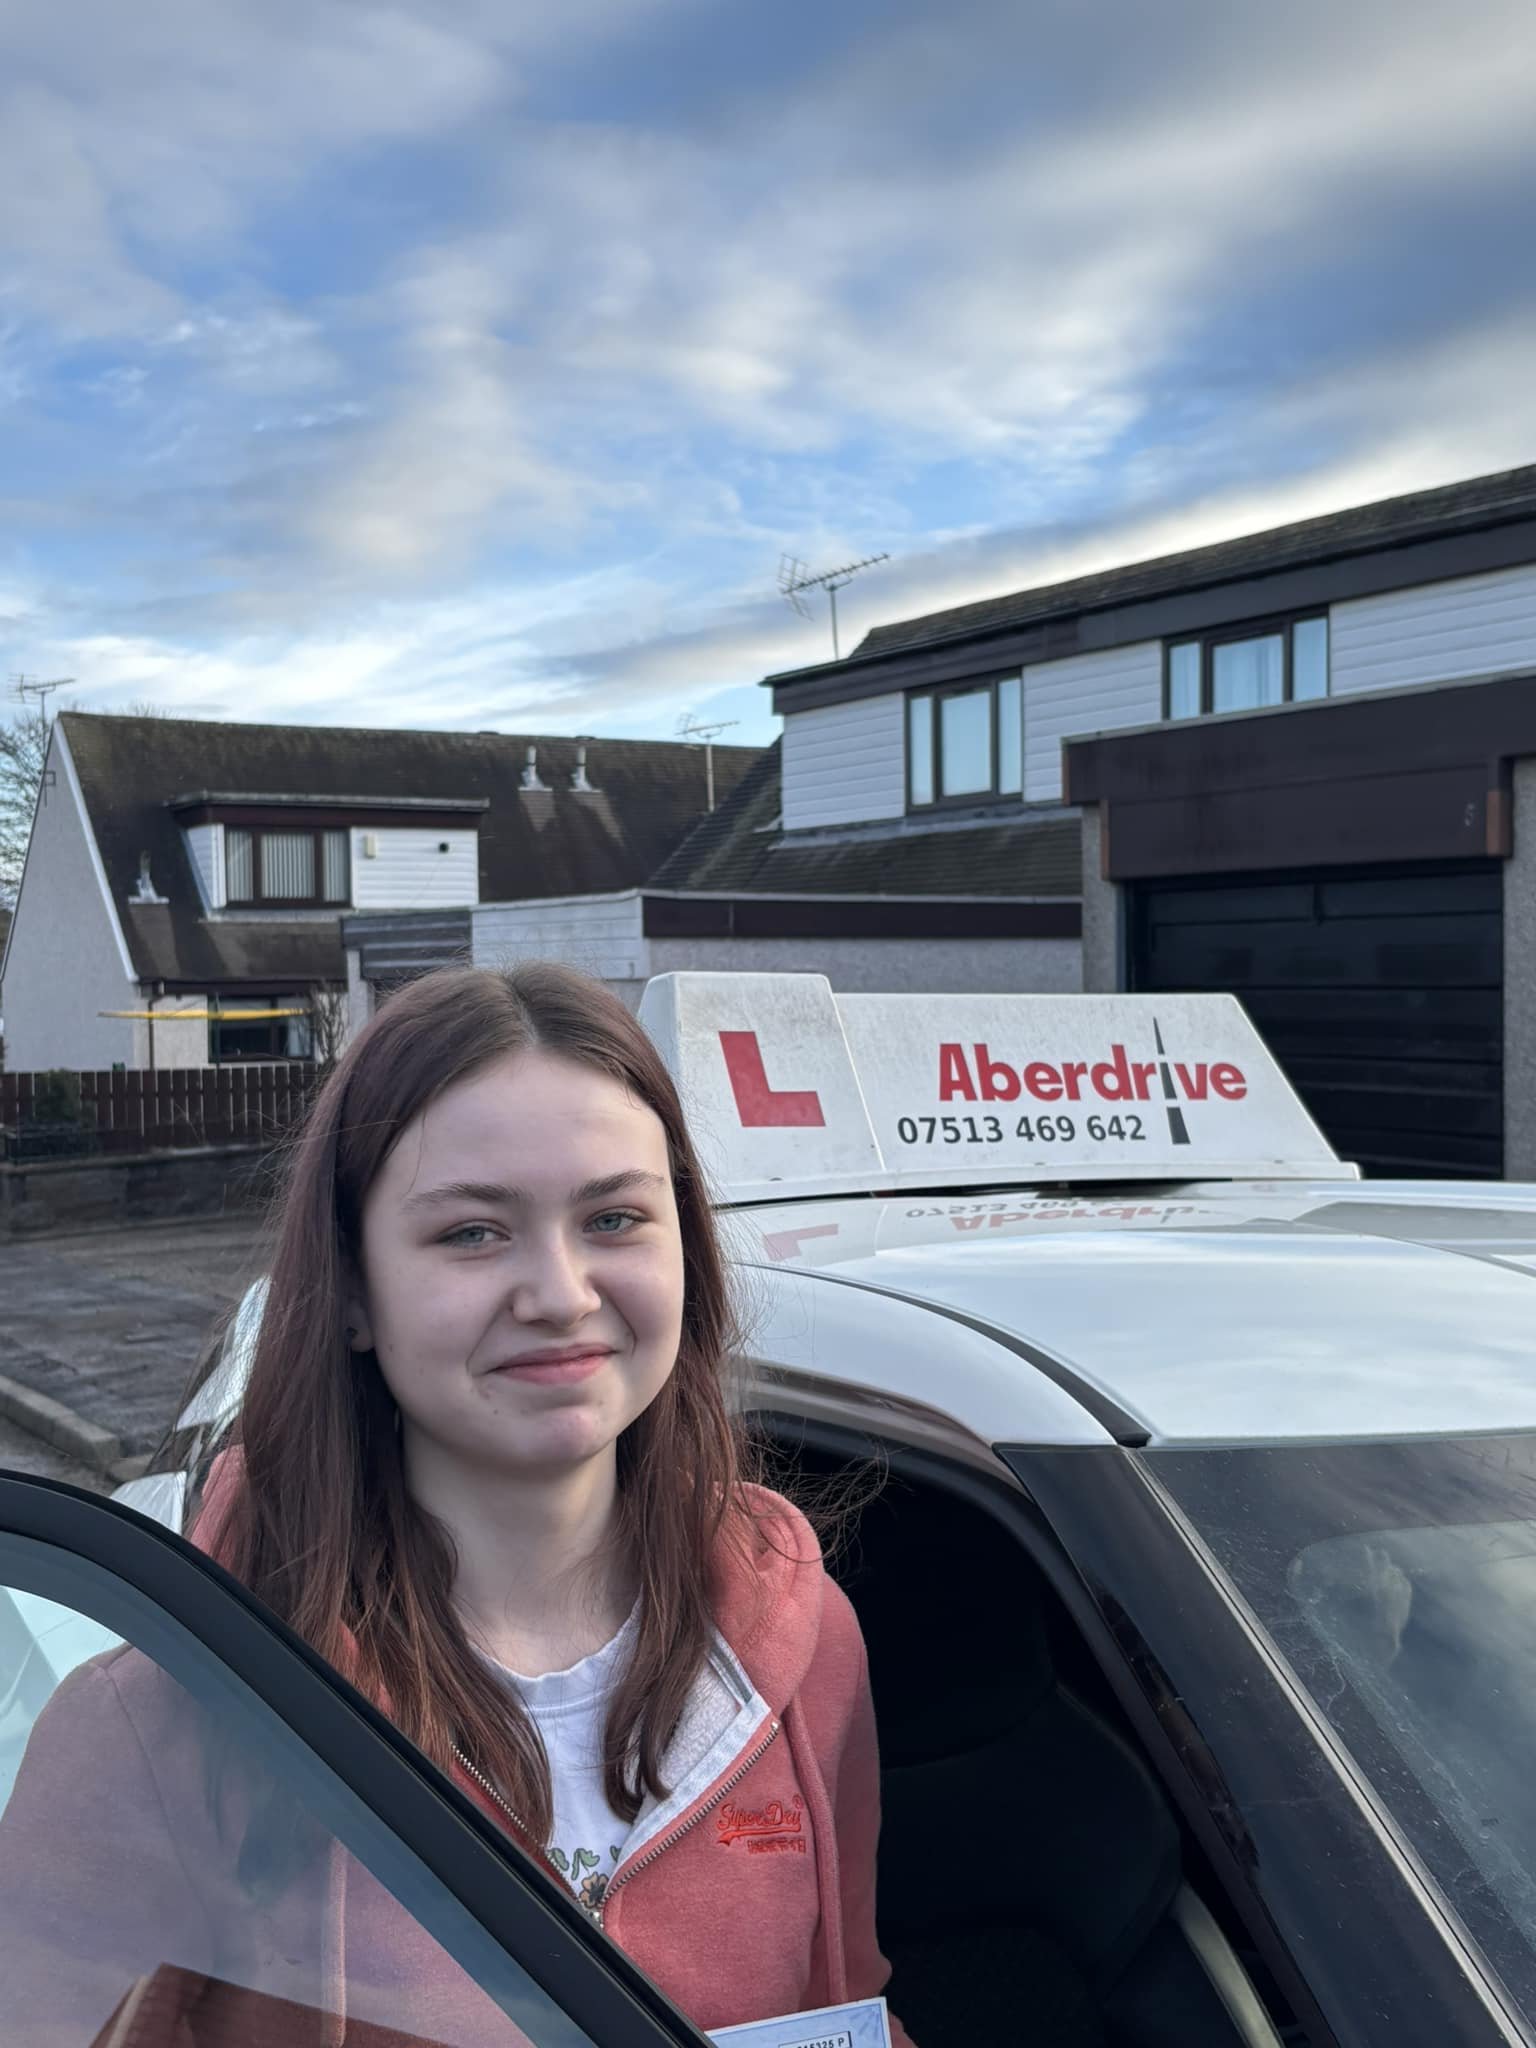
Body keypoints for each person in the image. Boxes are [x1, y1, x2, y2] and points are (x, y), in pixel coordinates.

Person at [0, 963, 906, 2046]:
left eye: (614, 1216)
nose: (561, 1292)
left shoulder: (807, 1649)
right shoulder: (165, 1716)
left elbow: (846, 2011)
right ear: (349, 1289)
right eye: (472, 1232)